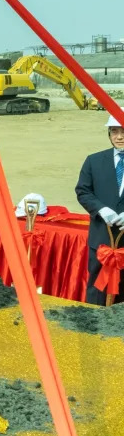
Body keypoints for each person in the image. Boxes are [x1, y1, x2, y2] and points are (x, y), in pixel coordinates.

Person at [76, 114, 124, 306]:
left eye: (123, 132)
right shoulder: (94, 161)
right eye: (114, 132)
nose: (119, 137)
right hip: (101, 240)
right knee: (97, 289)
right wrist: (102, 209)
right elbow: (83, 191)